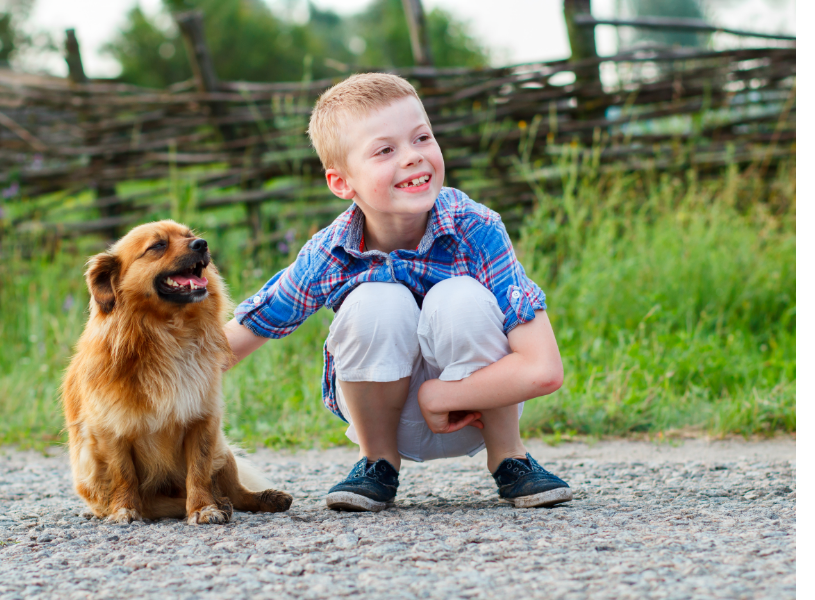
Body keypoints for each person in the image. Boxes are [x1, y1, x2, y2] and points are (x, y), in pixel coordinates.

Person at [224, 73, 572, 512]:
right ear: (341, 183)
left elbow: (544, 369)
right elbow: (234, 340)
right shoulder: (331, 252)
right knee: (375, 300)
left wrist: (441, 396)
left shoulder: (476, 228)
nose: (413, 158)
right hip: (388, 416)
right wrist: (125, 393)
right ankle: (377, 463)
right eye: (386, 150)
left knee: (460, 296)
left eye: (422, 138)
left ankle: (510, 458)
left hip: (474, 412)